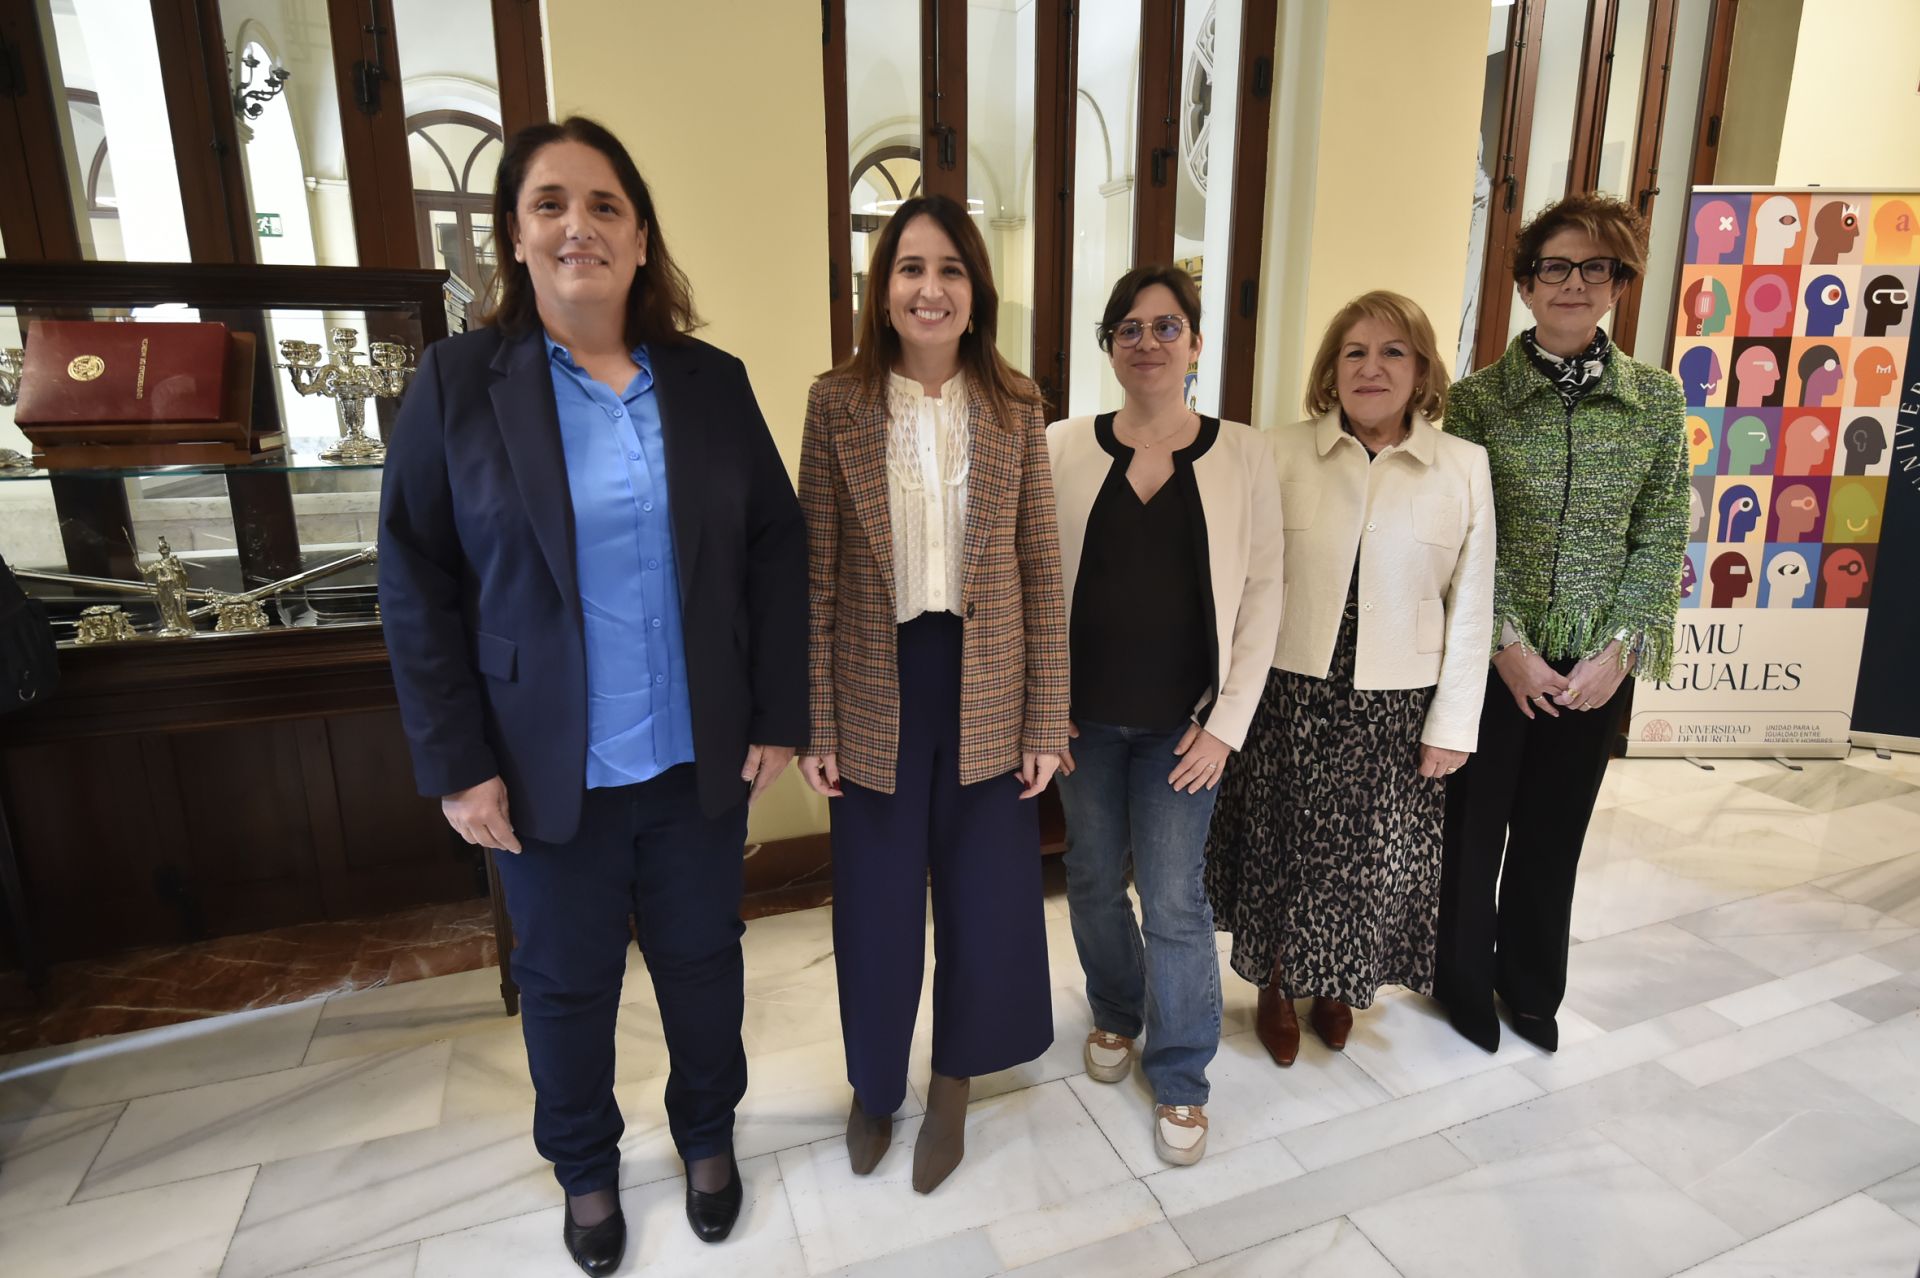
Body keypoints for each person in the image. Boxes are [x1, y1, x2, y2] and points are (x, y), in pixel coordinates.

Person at [377, 117, 806, 1275]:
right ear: (515, 236)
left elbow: (776, 543)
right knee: (566, 991)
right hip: (537, 771)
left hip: (694, 761)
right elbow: (411, 574)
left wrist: (778, 712)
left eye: (605, 204)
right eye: (551, 204)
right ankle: (584, 1168)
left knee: (705, 967)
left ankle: (707, 1139)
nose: (580, 225)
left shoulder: (710, 384)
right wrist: (456, 763)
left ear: (640, 233)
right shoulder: (461, 384)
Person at [797, 194, 1068, 1194]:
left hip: (989, 681)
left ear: (974, 290)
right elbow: (816, 575)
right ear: (884, 289)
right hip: (876, 684)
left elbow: (1040, 571)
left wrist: (1046, 718)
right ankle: (876, 1087)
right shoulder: (837, 403)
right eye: (911, 268)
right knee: (872, 903)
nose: (931, 287)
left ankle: (953, 1080)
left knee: (985, 895)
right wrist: (814, 718)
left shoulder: (1016, 404)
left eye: (950, 269)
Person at [1207, 291, 1494, 1067]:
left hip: (1398, 705)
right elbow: (1237, 580)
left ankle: (1336, 987)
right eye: (1355, 352)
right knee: (1282, 847)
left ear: (1423, 370)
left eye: (1393, 351)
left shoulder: (1463, 467)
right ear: (1331, 371)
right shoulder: (1277, 451)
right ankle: (1273, 981)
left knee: (1367, 859)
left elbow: (1473, 607)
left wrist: (1453, 725)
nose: (1373, 367)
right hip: (1289, 693)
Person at [1437, 192, 1689, 1054]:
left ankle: (1534, 986)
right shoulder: (1476, 404)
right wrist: (1509, 646)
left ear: (1618, 283)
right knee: (1473, 833)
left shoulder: (1655, 402)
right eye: (1555, 267)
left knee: (1554, 833)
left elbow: (1661, 533)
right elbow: (1468, 537)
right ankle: (1464, 982)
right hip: (1493, 658)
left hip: (1594, 667)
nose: (1573, 283)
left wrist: (1620, 652)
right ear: (1525, 284)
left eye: (1595, 268)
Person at [1047, 265, 1284, 1165]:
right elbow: (1032, 586)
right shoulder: (1059, 447)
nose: (1148, 342)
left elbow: (1265, 592)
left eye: (1166, 326)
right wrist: (1040, 706)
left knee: (1177, 900)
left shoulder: (1244, 454)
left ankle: (1182, 1073)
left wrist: (1228, 723)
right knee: (1095, 876)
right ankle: (1115, 1012)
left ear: (1194, 343)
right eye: (1129, 328)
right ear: (1108, 346)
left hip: (1187, 731)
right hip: (1082, 722)